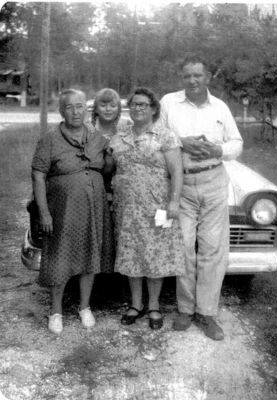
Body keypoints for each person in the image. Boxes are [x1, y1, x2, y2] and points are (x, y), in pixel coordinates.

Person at [160, 55, 243, 340]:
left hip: (213, 179)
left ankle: (206, 313)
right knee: (183, 246)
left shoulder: (220, 107)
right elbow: (157, 133)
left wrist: (217, 151)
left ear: (208, 77)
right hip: (182, 181)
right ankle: (185, 309)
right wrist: (181, 142)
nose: (192, 80)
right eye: (187, 76)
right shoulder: (169, 103)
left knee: (212, 249)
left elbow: (237, 143)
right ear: (182, 78)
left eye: (198, 75)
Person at [31, 88, 114, 334]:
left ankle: (84, 307)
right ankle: (55, 311)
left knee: (90, 254)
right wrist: (44, 212)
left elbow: (106, 171)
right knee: (60, 256)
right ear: (62, 111)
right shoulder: (49, 139)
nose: (76, 112)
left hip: (93, 208)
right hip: (62, 209)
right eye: (70, 107)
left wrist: (109, 161)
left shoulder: (97, 137)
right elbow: (38, 176)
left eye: (80, 106)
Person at [106, 87, 186, 330]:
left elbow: (177, 172)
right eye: (135, 104)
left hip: (158, 207)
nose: (138, 108)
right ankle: (136, 304)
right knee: (132, 255)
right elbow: (110, 166)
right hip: (126, 207)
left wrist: (174, 201)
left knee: (155, 256)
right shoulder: (120, 136)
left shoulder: (166, 136)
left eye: (144, 104)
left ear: (153, 109)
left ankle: (153, 306)